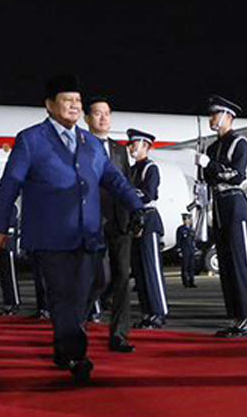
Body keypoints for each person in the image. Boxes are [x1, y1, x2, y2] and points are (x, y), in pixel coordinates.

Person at [0, 74, 145, 384]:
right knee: (63, 296)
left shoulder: (89, 143)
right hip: (50, 236)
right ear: (49, 106)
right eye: (67, 100)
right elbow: (10, 184)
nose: (74, 105)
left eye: (77, 100)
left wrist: (137, 207)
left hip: (88, 234)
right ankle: (76, 355)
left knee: (96, 283)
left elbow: (113, 179)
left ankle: (64, 342)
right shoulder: (31, 139)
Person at [198, 95, 247, 338]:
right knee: (226, 266)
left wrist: (210, 166)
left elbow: (236, 175)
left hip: (235, 205)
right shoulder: (213, 147)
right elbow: (210, 179)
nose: (212, 119)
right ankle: (237, 317)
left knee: (241, 263)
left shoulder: (239, 142)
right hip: (220, 208)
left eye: (216, 114)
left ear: (228, 116)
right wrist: (202, 168)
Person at [86, 96, 136, 351]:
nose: (103, 118)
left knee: (121, 279)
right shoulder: (80, 146)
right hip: (92, 222)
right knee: (98, 279)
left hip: (119, 222)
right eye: (97, 113)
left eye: (107, 113)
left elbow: (125, 184)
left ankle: (119, 335)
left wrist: (134, 212)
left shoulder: (119, 150)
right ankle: (77, 325)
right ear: (87, 119)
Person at [128, 128, 169, 329]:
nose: (131, 147)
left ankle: (158, 312)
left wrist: (127, 193)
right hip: (136, 220)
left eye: (134, 144)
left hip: (148, 219)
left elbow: (149, 194)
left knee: (151, 269)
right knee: (140, 271)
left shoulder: (150, 168)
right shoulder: (133, 169)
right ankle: (147, 312)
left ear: (145, 146)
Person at [0, 200, 23, 314]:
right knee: (4, 276)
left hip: (9, 246)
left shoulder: (13, 208)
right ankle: (8, 303)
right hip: (2, 245)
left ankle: (15, 303)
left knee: (11, 276)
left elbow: (10, 226)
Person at [177, 213, 198, 287]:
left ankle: (191, 281)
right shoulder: (181, 229)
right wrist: (179, 250)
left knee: (191, 266)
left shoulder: (191, 229)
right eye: (185, 219)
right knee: (185, 266)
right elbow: (179, 240)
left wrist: (195, 248)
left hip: (191, 249)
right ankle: (185, 282)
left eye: (188, 219)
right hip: (184, 250)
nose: (187, 221)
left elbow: (193, 240)